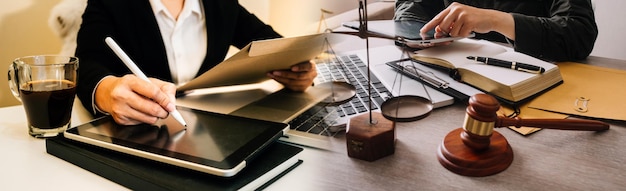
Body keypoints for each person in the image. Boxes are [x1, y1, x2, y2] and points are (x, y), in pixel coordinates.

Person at [75, 0, 317, 125]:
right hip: (139, 134)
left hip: (208, 130)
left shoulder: (220, 3)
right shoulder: (110, 3)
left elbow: (275, 44)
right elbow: (86, 64)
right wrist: (106, 92)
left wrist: (300, 69)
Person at [394, 0, 598, 62]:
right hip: (446, 72)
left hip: (529, 81)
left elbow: (579, 32)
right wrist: (421, 35)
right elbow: (411, 5)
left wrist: (495, 20)